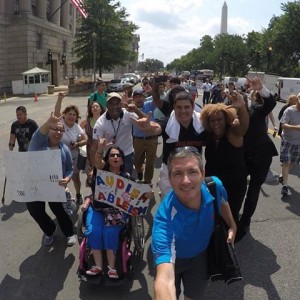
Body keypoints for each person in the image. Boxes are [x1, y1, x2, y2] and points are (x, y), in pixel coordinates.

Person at [152, 147, 236, 300]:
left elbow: (223, 202)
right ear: (169, 179)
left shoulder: (213, 186)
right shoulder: (164, 220)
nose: (186, 180)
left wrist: (232, 225)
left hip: (201, 257)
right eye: (178, 173)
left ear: (203, 174)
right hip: (174, 261)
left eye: (192, 172)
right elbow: (164, 279)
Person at [131, 91, 204, 198]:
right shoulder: (169, 122)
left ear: (193, 107)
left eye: (186, 107)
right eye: (179, 107)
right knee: (171, 206)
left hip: (193, 172)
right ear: (174, 107)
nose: (183, 111)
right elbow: (157, 128)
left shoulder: (202, 124)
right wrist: (149, 128)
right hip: (170, 172)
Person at [82, 139, 132, 278]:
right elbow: (98, 162)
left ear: (122, 160)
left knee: (109, 232)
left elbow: (136, 198)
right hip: (98, 210)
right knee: (94, 231)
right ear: (107, 159)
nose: (115, 157)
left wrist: (147, 195)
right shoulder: (101, 172)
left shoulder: (126, 178)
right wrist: (100, 149)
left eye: (118, 156)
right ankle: (98, 266)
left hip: (117, 211)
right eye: (112, 155)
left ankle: (111, 268)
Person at [199, 89, 249, 224]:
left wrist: (242, 108)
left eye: (219, 119)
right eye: (212, 120)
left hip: (234, 184)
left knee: (230, 216)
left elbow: (243, 127)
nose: (216, 123)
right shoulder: (208, 134)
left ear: (226, 119)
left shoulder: (233, 131)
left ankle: (229, 241)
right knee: (213, 214)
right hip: (212, 182)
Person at [27, 113, 76, 247]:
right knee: (34, 210)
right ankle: (49, 230)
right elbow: (39, 133)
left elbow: (70, 169)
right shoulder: (37, 143)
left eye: (61, 130)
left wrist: (67, 178)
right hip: (35, 186)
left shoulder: (64, 149)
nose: (58, 132)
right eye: (55, 129)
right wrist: (49, 123)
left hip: (55, 186)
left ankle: (69, 233)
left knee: (59, 211)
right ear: (49, 130)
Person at [237, 82, 278, 242]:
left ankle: (245, 221)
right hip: (244, 155)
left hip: (262, 155)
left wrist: (261, 88)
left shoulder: (256, 108)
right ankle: (232, 213)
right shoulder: (235, 112)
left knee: (253, 190)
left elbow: (270, 103)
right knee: (238, 184)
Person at [91, 92, 145, 175]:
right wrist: (93, 169)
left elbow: (145, 123)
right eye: (112, 104)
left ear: (121, 104)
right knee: (111, 183)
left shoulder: (128, 114)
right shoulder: (100, 123)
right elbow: (94, 148)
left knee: (127, 181)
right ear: (107, 105)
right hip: (110, 157)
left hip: (127, 154)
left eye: (117, 104)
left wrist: (136, 110)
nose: (115, 107)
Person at [54, 92, 88, 204]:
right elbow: (56, 112)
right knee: (61, 181)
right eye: (69, 114)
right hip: (59, 159)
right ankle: (64, 197)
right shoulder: (61, 123)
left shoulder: (77, 127)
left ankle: (78, 194)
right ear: (64, 115)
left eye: (74, 115)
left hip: (73, 158)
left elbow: (85, 140)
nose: (72, 116)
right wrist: (59, 99)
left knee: (76, 178)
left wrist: (77, 145)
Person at [132, 89, 158, 184]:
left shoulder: (149, 104)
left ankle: (147, 182)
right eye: (136, 97)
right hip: (138, 140)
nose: (138, 99)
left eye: (140, 96)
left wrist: (153, 89)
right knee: (137, 162)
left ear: (144, 97)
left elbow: (156, 99)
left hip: (151, 139)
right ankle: (139, 171)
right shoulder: (131, 108)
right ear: (133, 99)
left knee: (150, 163)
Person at [279, 92, 300, 195]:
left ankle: (283, 174)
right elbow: (283, 124)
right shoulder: (289, 110)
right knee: (286, 162)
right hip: (287, 140)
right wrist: (295, 127)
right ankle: (285, 186)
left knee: (293, 162)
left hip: (298, 142)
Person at [80, 101, 104, 184]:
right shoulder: (87, 121)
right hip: (91, 148)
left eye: (97, 106)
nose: (95, 108)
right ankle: (93, 190)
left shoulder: (105, 120)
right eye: (93, 107)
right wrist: (82, 139)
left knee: (103, 169)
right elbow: (77, 131)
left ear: (101, 109)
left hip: (103, 148)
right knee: (91, 171)